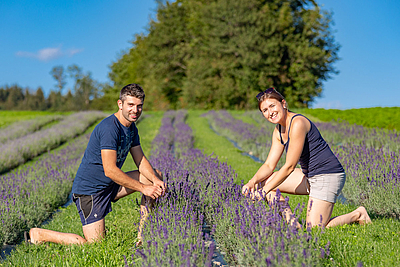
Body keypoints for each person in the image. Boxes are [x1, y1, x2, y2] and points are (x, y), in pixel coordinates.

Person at [26, 83, 165, 245]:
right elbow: (110, 170)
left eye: (139, 106)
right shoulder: (109, 128)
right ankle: (39, 234)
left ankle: (143, 236)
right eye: (131, 105)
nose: (135, 110)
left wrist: (156, 181)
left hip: (111, 186)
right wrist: (143, 188)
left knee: (155, 175)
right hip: (90, 192)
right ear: (120, 104)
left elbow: (140, 161)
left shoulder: (132, 129)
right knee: (93, 244)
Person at [242, 87, 371, 228]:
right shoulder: (278, 131)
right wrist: (252, 182)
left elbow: (290, 166)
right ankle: (293, 225)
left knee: (315, 229)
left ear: (283, 104)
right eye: (265, 110)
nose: (270, 112)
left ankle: (359, 214)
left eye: (272, 106)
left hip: (327, 175)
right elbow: (268, 165)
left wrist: (264, 192)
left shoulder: (298, 123)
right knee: (263, 182)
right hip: (308, 175)